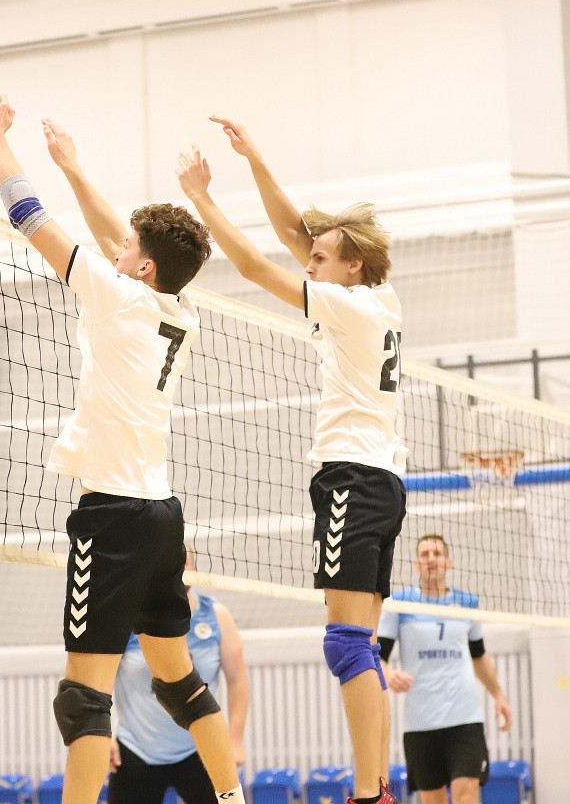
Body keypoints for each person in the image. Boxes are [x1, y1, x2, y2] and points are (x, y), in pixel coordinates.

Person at [0, 92, 244, 804]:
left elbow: (26, 214)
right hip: (162, 513)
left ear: (143, 268)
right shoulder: (179, 310)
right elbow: (122, 238)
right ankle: (231, 797)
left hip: (114, 516)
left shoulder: (115, 294)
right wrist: (73, 165)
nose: (114, 249)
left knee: (84, 696)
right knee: (179, 681)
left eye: (126, 250)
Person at [176, 118, 406, 804]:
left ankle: (366, 791)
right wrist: (255, 159)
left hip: (351, 477)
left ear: (351, 264)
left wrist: (202, 199)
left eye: (321, 258)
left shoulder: (347, 307)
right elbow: (295, 233)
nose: (310, 262)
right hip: (382, 479)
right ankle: (376, 788)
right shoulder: (377, 298)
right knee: (360, 645)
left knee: (345, 645)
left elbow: (254, 264)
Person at [378, 534, 513, 804]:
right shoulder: (399, 604)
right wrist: (389, 674)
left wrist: (499, 695)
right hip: (421, 722)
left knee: (466, 793)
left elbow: (479, 656)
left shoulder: (467, 603)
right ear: (416, 564)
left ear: (448, 562)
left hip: (464, 719)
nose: (431, 559)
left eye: (437, 554)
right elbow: (378, 657)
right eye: (425, 554)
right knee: (432, 799)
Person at [109, 550, 249, 804]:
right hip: (137, 750)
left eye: (183, 563)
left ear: (195, 570)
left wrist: (236, 739)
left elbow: (238, 679)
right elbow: (99, 683)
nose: (176, 570)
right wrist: (104, 735)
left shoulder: (216, 616)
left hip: (201, 748)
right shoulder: (127, 619)